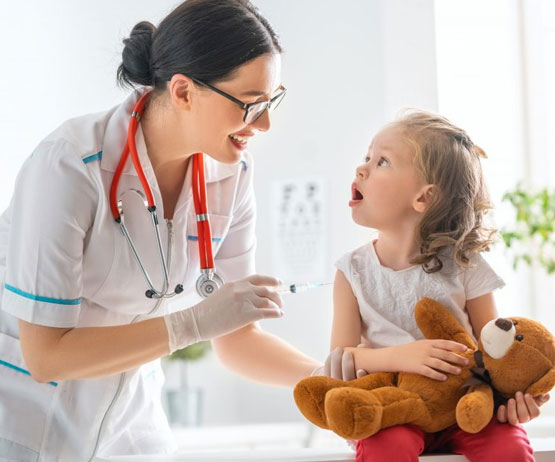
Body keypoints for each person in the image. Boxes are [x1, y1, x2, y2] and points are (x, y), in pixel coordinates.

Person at [0, 1, 328, 460]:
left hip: (130, 420)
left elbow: (236, 341)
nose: (266, 124)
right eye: (251, 104)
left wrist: (329, 380)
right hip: (26, 417)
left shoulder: (232, 176)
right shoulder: (69, 165)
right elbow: (46, 356)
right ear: (182, 91)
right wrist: (192, 323)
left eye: (271, 101)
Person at [329, 110, 550, 462]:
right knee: (387, 447)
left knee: (508, 447)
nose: (362, 169)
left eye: (382, 161)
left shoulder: (466, 264)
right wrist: (402, 357)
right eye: (367, 157)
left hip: (465, 405)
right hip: (394, 405)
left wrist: (517, 397)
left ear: (424, 198)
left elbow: (494, 352)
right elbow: (341, 359)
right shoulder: (352, 271)